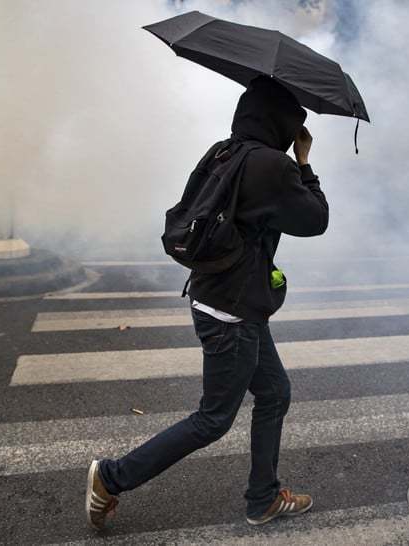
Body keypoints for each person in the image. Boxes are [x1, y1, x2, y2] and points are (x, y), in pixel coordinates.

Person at [85, 75, 329, 530]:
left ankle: (264, 497)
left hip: (220, 295)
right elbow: (316, 220)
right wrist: (304, 161)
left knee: (274, 393)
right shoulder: (273, 167)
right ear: (282, 121)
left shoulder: (224, 151)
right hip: (232, 311)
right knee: (213, 419)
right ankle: (112, 477)